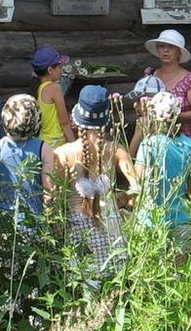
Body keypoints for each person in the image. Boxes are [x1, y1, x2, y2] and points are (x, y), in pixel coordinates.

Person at [53, 84, 135, 279]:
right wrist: (119, 200)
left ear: (76, 119)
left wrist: (58, 233)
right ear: (106, 120)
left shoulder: (62, 155)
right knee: (113, 285)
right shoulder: (116, 150)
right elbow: (136, 187)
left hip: (77, 229)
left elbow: (55, 199)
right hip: (110, 225)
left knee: (83, 285)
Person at [0, 94, 54, 318]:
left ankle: (8, 320)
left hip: (2, 225)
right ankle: (33, 320)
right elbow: (48, 192)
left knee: (4, 277)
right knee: (32, 278)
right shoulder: (43, 148)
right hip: (34, 225)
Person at [134, 90, 191, 254]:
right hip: (181, 219)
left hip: (150, 220)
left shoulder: (148, 145)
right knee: (182, 273)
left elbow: (139, 184)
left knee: (152, 272)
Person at [130, 28, 191, 155]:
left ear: (179, 52)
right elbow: (139, 104)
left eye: (171, 47)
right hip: (150, 140)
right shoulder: (150, 76)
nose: (165, 50)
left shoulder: (190, 80)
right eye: (161, 46)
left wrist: (172, 117)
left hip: (181, 141)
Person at [33, 46, 76, 148]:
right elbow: (64, 124)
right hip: (56, 142)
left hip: (44, 141)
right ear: (50, 70)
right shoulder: (54, 88)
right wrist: (74, 148)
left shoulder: (40, 87)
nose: (61, 70)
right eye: (59, 67)